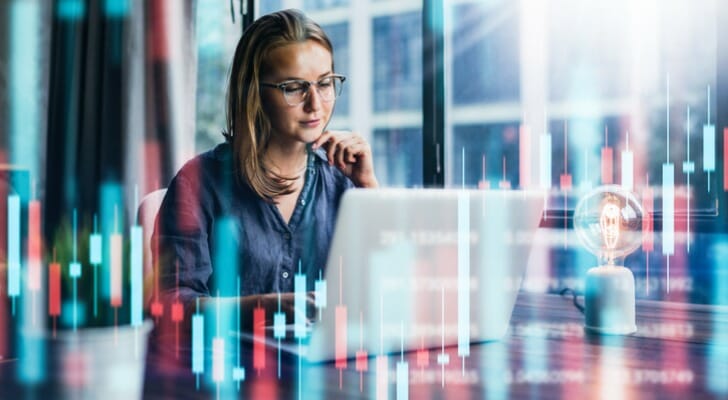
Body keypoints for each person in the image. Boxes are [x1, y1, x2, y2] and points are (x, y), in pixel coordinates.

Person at [153, 9, 378, 331]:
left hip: (324, 371)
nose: (315, 104)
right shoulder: (199, 182)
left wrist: (368, 188)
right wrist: (259, 309)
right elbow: (169, 306)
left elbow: (389, 292)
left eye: (325, 84)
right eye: (293, 87)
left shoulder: (344, 182)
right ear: (254, 92)